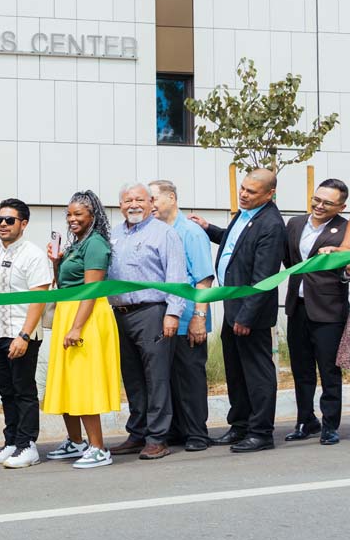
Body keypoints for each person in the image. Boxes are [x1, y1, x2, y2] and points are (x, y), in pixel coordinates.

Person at [190, 168, 286, 453]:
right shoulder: (244, 214)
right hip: (233, 308)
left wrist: (246, 317)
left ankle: (261, 432)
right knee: (236, 372)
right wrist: (209, 229)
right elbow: (235, 245)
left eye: (251, 192)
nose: (243, 194)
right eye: (243, 188)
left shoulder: (271, 224)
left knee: (257, 374)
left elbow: (264, 277)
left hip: (250, 314)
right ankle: (240, 425)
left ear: (269, 195)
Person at [106, 183, 187, 461]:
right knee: (132, 377)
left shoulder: (165, 233)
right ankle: (137, 433)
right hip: (120, 313)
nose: (133, 205)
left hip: (152, 311)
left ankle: (157, 437)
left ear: (151, 203)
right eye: (127, 200)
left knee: (157, 377)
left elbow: (176, 276)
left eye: (139, 199)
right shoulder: (113, 235)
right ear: (120, 206)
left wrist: (173, 313)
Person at [43, 190, 121, 470]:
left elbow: (92, 290)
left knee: (84, 381)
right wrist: (56, 261)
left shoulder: (96, 244)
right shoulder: (76, 244)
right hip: (68, 311)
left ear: (93, 215)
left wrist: (77, 327)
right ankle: (76, 441)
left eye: (78, 214)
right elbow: (64, 285)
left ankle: (98, 447)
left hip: (86, 316)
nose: (72, 218)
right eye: (69, 214)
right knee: (67, 380)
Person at [0, 199, 53, 469]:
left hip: (20, 335)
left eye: (9, 220)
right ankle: (11, 441)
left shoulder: (33, 255)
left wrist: (24, 335)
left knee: (23, 390)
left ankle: (27, 445)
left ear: (23, 223)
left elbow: (39, 299)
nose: (2, 225)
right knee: (5, 391)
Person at [149, 180, 215, 452]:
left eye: (153, 199)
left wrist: (199, 316)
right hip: (163, 319)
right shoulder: (156, 232)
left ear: (171, 198)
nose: (149, 205)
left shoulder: (191, 232)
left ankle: (198, 433)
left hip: (188, 317)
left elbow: (204, 279)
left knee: (190, 379)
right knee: (170, 379)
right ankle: (177, 430)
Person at [280, 179, 348, 445]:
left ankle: (330, 425)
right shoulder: (295, 224)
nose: (319, 206)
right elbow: (290, 260)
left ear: (341, 206)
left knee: (329, 370)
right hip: (297, 306)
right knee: (301, 369)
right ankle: (305, 420)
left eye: (328, 203)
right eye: (316, 199)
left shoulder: (344, 229)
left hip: (329, 310)